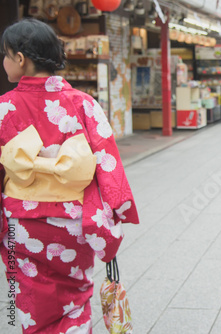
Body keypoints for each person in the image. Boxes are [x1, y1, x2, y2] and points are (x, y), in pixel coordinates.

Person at [0, 19, 140, 333]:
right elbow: (107, 162)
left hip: (21, 225)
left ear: (21, 59)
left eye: (5, 55)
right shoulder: (83, 104)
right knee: (75, 297)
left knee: (30, 297)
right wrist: (116, 210)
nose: (5, 62)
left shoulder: (3, 108)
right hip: (73, 223)